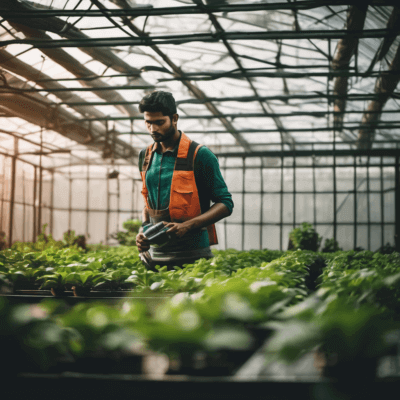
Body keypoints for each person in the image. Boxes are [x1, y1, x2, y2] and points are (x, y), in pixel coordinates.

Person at [135, 91, 233, 269]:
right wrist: (143, 229)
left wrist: (187, 226)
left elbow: (225, 204)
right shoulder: (146, 156)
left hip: (193, 256)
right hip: (156, 256)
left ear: (174, 118)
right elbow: (148, 203)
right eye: (148, 122)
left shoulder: (200, 155)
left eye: (159, 122)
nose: (153, 129)